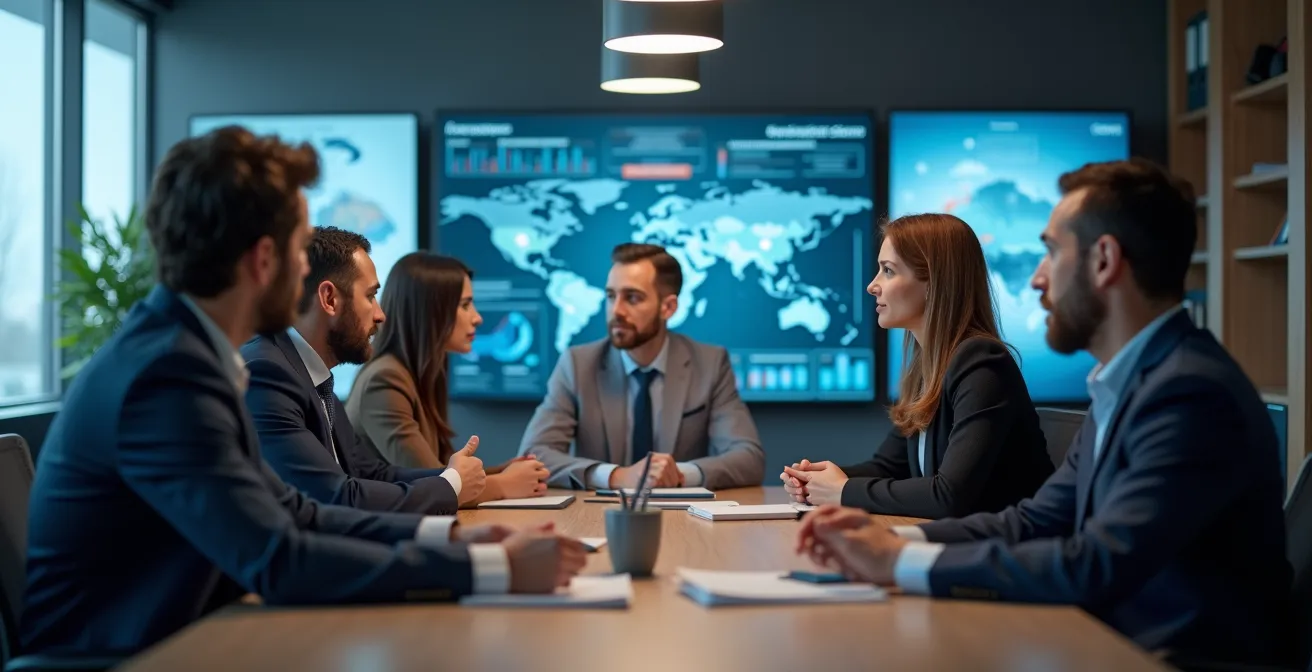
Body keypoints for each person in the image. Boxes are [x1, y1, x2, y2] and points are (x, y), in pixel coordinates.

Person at [19, 126, 586, 658]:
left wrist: (457, 539)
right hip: (133, 659)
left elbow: (299, 514)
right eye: (297, 250)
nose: (304, 270)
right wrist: (487, 568)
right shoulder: (166, 378)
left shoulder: (186, 354)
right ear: (264, 260)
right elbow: (279, 557)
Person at [794, 158, 1295, 668]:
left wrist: (901, 561)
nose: (1036, 279)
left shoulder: (1188, 393)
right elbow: (1036, 520)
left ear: (1104, 261)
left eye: (1052, 252)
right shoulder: (1131, 383)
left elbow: (1095, 563)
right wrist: (891, 538)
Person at [781, 214, 1053, 519]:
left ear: (933, 283)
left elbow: (949, 496)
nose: (872, 285)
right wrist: (817, 480)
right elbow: (890, 468)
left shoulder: (982, 363)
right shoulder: (930, 366)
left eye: (888, 271)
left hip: (1006, 556)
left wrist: (842, 491)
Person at [242, 226, 486, 513]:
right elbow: (336, 496)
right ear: (330, 299)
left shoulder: (312, 374)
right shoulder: (268, 373)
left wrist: (451, 476)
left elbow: (373, 473)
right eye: (370, 296)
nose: (380, 314)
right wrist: (452, 484)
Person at [519, 242, 765, 491]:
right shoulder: (577, 364)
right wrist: (616, 476)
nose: (616, 311)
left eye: (632, 298)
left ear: (668, 307)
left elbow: (748, 458)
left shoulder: (710, 364)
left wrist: (676, 474)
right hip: (596, 517)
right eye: (611, 296)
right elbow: (533, 454)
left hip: (683, 518)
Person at [345, 252, 549, 503]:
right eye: (465, 305)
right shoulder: (384, 380)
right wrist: (505, 484)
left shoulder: (421, 371)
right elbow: (438, 485)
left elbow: (442, 471)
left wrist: (505, 471)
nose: (477, 317)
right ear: (429, 312)